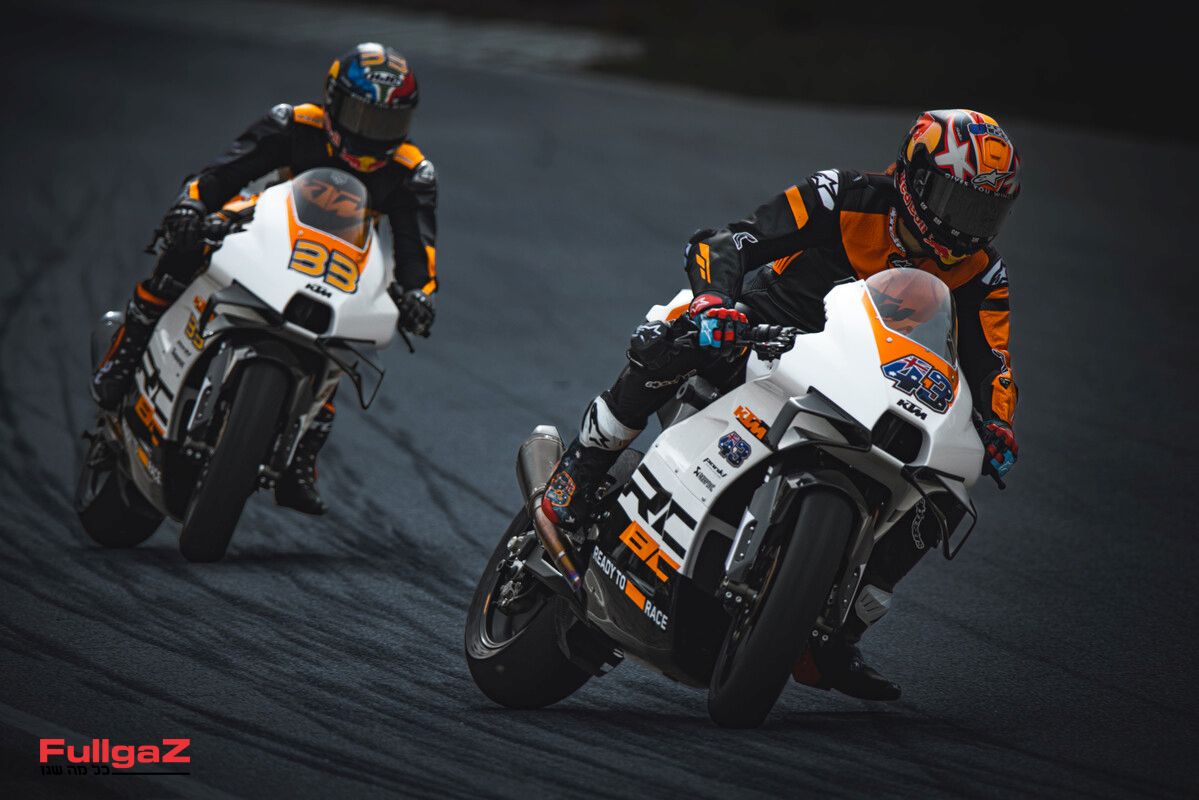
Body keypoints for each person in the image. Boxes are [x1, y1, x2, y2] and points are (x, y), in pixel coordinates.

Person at [541, 109, 1022, 701]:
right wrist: (715, 301)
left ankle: (838, 631)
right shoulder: (843, 195)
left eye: (984, 212)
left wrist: (998, 424)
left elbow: (992, 361)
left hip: (875, 382)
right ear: (916, 177)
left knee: (946, 486)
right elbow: (730, 240)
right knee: (680, 332)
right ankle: (581, 469)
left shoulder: (982, 271)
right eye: (957, 202)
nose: (967, 226)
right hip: (775, 330)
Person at [91, 43, 439, 516]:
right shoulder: (294, 123)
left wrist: (420, 294)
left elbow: (418, 246)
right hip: (262, 220)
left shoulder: (411, 170)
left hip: (339, 256)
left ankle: (304, 451)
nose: (369, 134)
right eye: (361, 116)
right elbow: (225, 171)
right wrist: (192, 204)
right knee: (188, 241)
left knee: (351, 327)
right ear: (333, 102)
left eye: (385, 124)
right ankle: (128, 348)